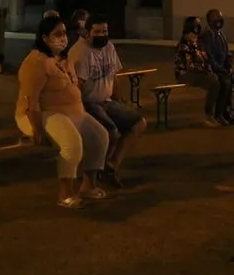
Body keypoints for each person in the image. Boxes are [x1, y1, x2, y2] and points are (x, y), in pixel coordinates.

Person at [16, 14, 111, 208]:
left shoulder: (63, 59)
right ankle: (65, 194)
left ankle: (88, 186)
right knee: (71, 143)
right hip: (43, 113)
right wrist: (37, 129)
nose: (63, 38)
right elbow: (30, 100)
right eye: (57, 34)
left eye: (64, 33)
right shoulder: (36, 62)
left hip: (72, 112)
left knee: (100, 136)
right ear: (45, 38)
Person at [70, 13, 147, 188]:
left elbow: (114, 76)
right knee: (111, 132)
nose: (102, 35)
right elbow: (77, 86)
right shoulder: (81, 53)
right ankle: (93, 171)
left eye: (104, 31)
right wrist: (78, 112)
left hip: (106, 100)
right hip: (88, 102)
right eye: (97, 32)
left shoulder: (109, 47)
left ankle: (111, 165)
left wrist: (118, 99)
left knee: (139, 124)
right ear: (87, 33)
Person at [175, 16, 230, 127]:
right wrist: (205, 70)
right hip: (184, 74)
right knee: (214, 83)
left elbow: (205, 59)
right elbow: (190, 66)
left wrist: (208, 69)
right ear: (187, 32)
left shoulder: (196, 44)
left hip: (197, 72)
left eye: (195, 35)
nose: (194, 37)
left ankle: (218, 114)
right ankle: (208, 116)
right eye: (192, 34)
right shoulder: (183, 46)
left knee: (219, 80)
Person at [199, 9, 234, 122]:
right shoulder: (206, 36)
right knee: (225, 83)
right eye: (216, 18)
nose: (219, 20)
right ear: (209, 20)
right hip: (214, 69)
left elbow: (228, 54)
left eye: (220, 17)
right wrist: (221, 69)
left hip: (224, 69)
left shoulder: (221, 35)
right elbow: (209, 57)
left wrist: (229, 66)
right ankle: (220, 113)